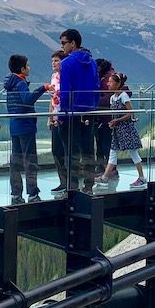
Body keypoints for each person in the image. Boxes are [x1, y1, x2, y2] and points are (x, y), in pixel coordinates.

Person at [56, 28, 99, 195]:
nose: (62, 47)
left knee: (71, 151)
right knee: (89, 150)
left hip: (72, 113)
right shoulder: (92, 62)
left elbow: (66, 91)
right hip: (89, 112)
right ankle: (89, 185)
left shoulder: (66, 63)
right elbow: (96, 87)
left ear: (73, 44)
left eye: (64, 43)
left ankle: (72, 187)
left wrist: (63, 113)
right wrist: (93, 107)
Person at [3, 54, 47, 204]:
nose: (29, 68)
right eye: (27, 66)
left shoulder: (10, 83)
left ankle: (16, 193)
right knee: (30, 160)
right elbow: (27, 99)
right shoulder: (20, 83)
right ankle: (33, 193)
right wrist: (43, 88)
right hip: (26, 125)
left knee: (15, 160)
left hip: (14, 125)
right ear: (22, 69)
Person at [95, 73, 146, 188]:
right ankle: (105, 177)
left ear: (117, 84)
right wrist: (113, 122)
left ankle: (142, 177)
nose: (108, 84)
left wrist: (117, 120)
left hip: (126, 129)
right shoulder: (113, 98)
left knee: (133, 152)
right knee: (112, 152)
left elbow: (130, 112)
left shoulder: (123, 96)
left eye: (111, 82)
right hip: (117, 130)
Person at [48, 49, 68, 193]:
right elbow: (52, 97)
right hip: (55, 117)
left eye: (56, 60)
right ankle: (62, 180)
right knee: (56, 150)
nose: (53, 63)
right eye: (52, 61)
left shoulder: (67, 76)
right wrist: (50, 116)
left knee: (67, 149)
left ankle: (71, 181)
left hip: (65, 117)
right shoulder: (54, 76)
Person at [93, 58, 116, 180]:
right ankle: (104, 168)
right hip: (104, 116)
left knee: (105, 143)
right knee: (103, 143)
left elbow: (111, 94)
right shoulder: (108, 75)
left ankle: (108, 169)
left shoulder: (108, 77)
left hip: (106, 116)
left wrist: (96, 102)